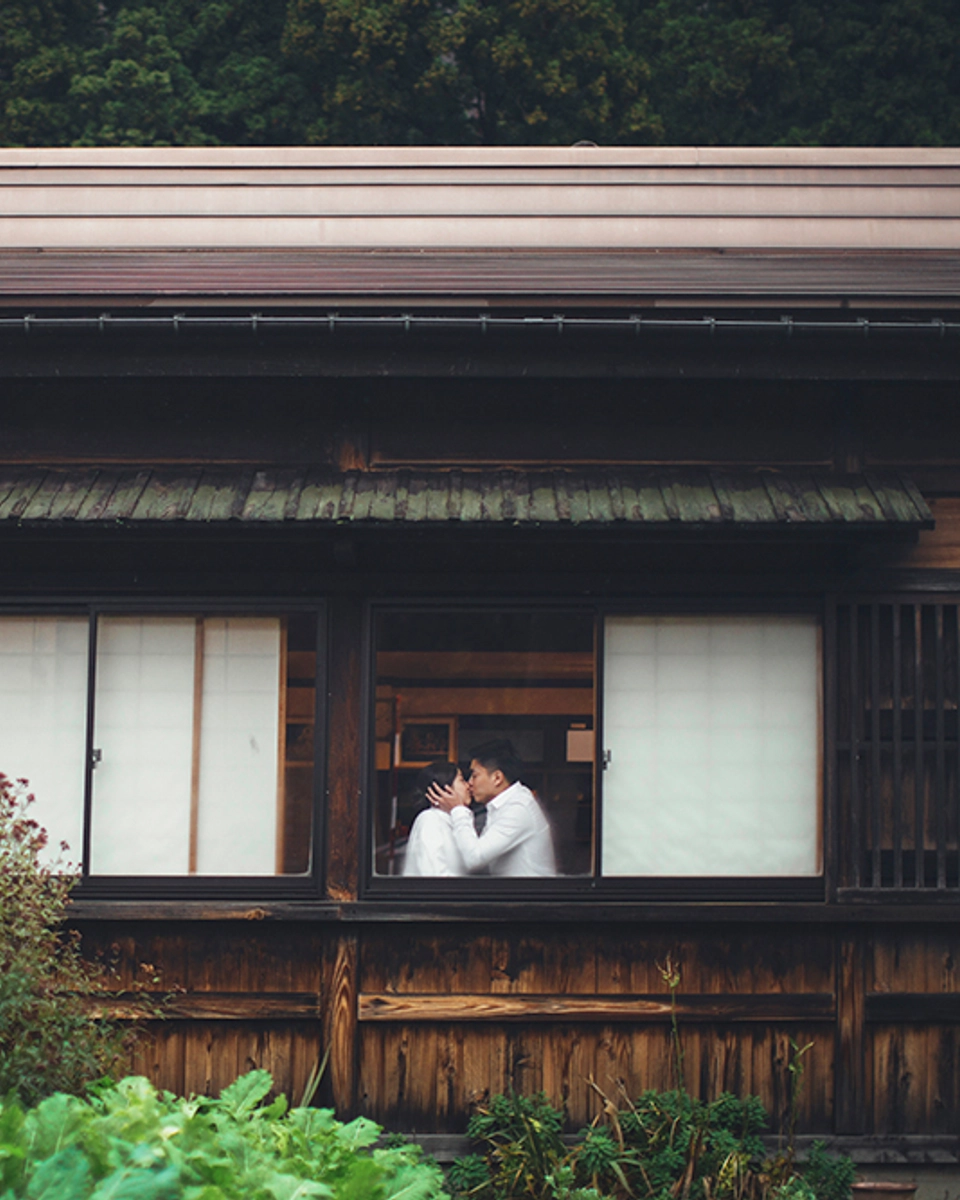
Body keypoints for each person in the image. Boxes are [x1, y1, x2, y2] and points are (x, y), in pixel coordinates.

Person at [427, 739, 556, 877]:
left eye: (475, 775)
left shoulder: (518, 808)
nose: (469, 783)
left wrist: (458, 810)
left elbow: (474, 858)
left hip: (531, 896)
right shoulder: (501, 805)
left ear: (497, 778)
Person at [402, 761, 467, 877]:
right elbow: (434, 875)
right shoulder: (430, 820)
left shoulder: (455, 821)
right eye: (462, 780)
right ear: (444, 789)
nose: (468, 786)